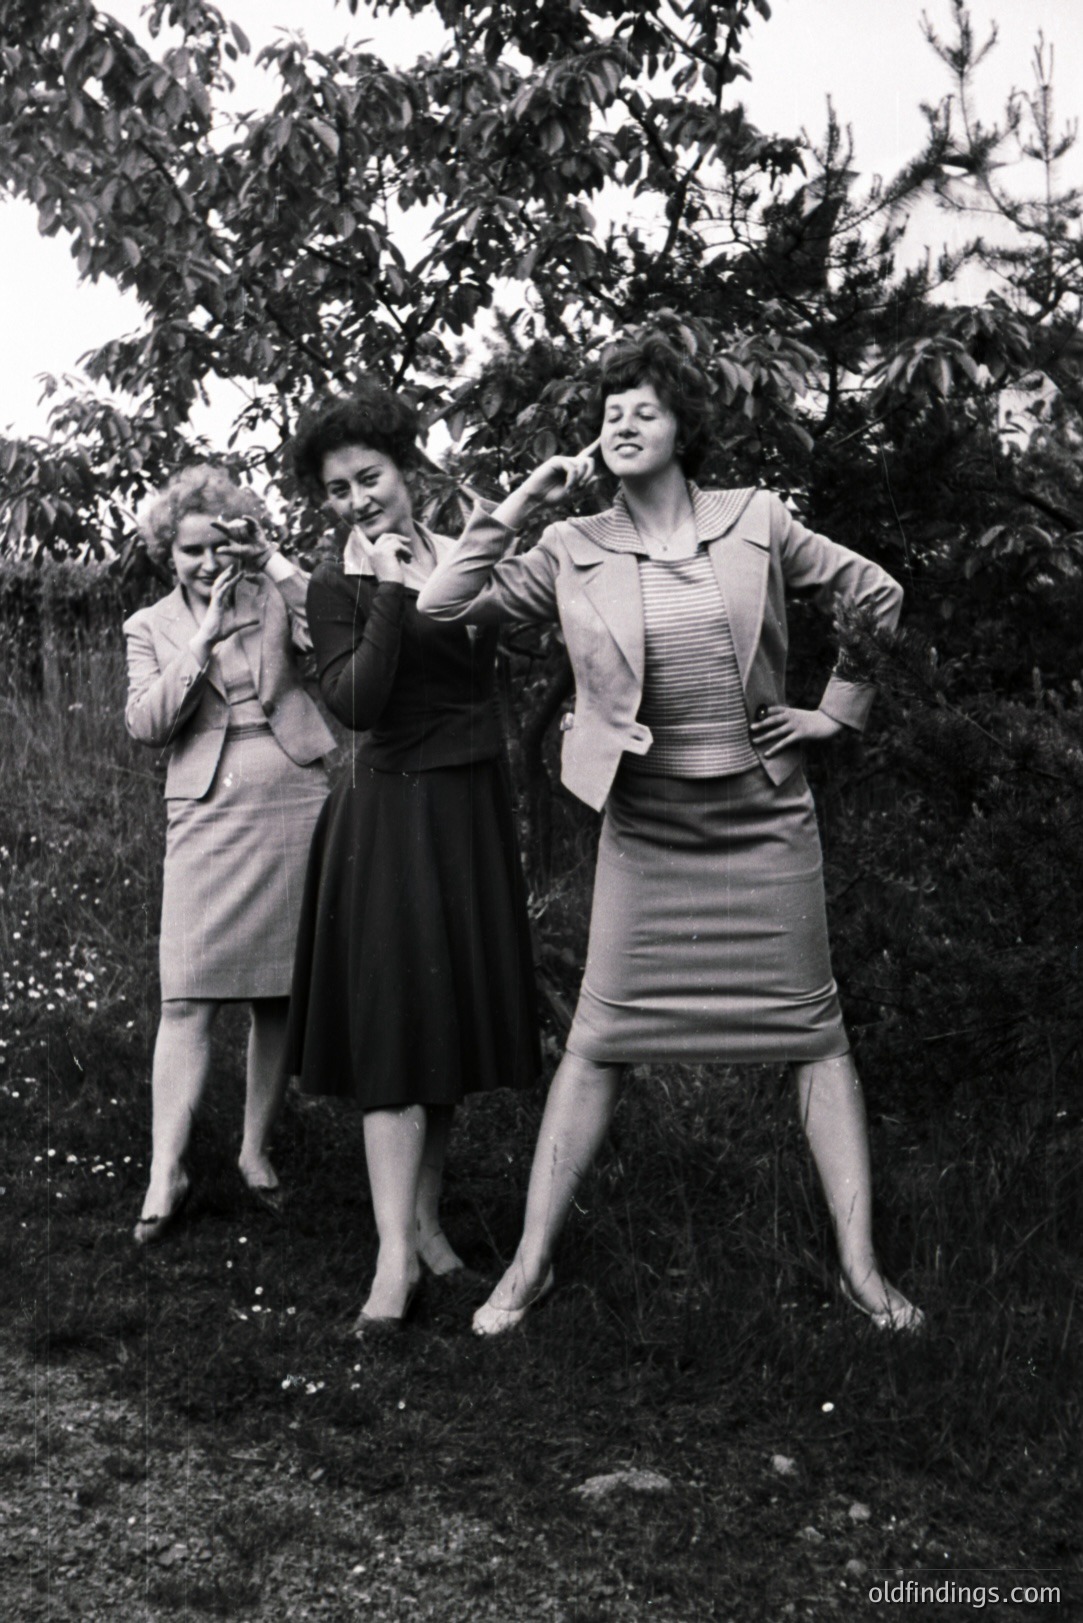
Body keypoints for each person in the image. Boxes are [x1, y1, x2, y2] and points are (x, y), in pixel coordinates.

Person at [417, 329, 925, 1337]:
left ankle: (861, 1270)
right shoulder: (569, 549)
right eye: (610, 411)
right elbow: (443, 610)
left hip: (764, 820)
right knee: (601, 1042)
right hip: (645, 828)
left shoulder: (756, 519)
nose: (622, 422)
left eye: (644, 409)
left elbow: (877, 595)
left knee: (813, 1036)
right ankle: (528, 1265)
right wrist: (519, 504)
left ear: (687, 430)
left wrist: (835, 711)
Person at [284, 381, 541, 1337]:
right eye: (338, 489)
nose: (357, 499)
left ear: (406, 469)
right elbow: (355, 702)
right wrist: (388, 589)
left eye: (370, 477)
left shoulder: (463, 548)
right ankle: (393, 1255)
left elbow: (512, 638)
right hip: (389, 812)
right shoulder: (336, 582)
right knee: (397, 1030)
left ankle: (429, 1220)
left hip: (469, 805)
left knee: (448, 1026)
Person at [125, 465, 335, 1244]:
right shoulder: (148, 626)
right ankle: (165, 1169)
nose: (207, 562)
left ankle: (253, 1150)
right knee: (184, 995)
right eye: (189, 551)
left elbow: (336, 625)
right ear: (165, 552)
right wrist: (204, 634)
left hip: (292, 794)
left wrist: (274, 558)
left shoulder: (276, 593)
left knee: (278, 991)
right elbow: (146, 724)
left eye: (220, 546)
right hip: (206, 809)